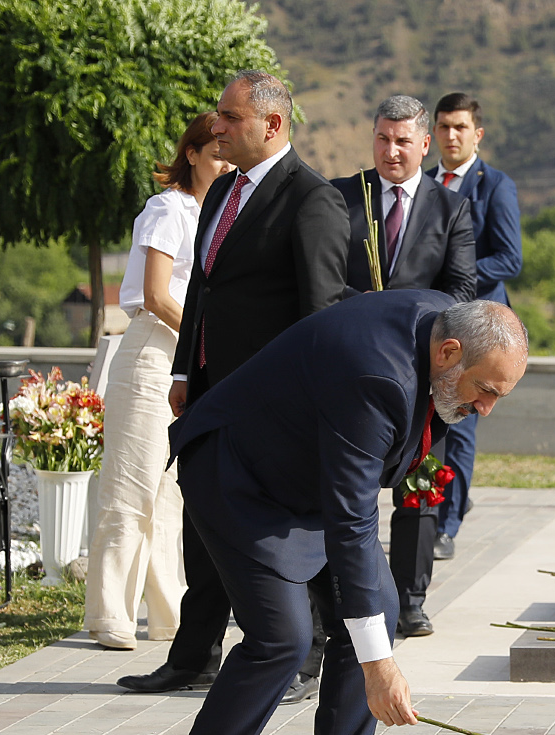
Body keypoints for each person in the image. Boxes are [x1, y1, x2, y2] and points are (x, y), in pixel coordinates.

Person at [141, 292, 528, 735]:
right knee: (282, 638)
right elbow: (352, 521)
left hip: (310, 480)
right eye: (485, 390)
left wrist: (374, 645)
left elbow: (356, 506)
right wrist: (378, 667)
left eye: (499, 395)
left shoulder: (446, 328)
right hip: (239, 477)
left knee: (379, 611)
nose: (487, 408)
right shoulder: (377, 376)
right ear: (449, 353)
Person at [117, 70, 349, 699]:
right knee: (203, 524)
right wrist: (185, 371)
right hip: (212, 395)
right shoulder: (223, 190)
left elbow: (320, 314)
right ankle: (194, 656)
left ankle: (306, 658)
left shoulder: (312, 199)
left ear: (272, 124)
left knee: (289, 534)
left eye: (230, 117)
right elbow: (203, 288)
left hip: (275, 406)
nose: (216, 126)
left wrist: (303, 404)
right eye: (218, 115)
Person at [325, 94, 477, 642]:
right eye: (383, 139)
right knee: (346, 490)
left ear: (425, 144)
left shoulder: (450, 208)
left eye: (403, 141)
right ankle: (340, 599)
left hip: (420, 374)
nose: (391, 151)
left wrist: (405, 319)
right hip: (347, 368)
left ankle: (411, 602)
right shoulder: (341, 197)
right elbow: (322, 276)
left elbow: (461, 290)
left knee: (418, 490)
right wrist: (364, 311)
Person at [85, 112, 230, 651]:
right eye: (215, 155)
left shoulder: (221, 215)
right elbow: (155, 294)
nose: (225, 165)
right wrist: (209, 336)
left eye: (230, 156)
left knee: (171, 492)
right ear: (191, 155)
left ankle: (170, 615)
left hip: (187, 358)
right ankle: (110, 614)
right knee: (131, 485)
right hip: (152, 351)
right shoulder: (168, 208)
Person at [427, 91, 523, 561]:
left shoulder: (495, 185)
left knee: (461, 423)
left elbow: (509, 259)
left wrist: (454, 273)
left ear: (477, 134)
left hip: (480, 331)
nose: (451, 135)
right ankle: (430, 509)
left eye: (460, 127)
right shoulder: (423, 183)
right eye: (444, 127)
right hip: (432, 325)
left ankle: (446, 527)